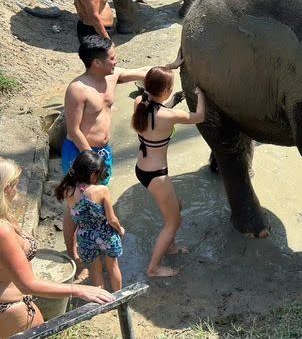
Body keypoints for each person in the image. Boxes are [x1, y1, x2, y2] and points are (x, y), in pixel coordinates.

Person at [62, 35, 183, 278]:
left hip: (102, 152)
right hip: (80, 153)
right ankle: (73, 254)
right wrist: (90, 160)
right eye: (113, 58)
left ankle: (96, 248)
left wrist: (171, 65)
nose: (117, 62)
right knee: (73, 205)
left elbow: (142, 72)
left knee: (98, 200)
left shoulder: (111, 76)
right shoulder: (77, 89)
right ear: (96, 63)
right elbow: (74, 130)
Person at [0, 157, 114, 337]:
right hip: (12, 311)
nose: (17, 190)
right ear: (5, 188)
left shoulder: (5, 216)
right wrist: (79, 289)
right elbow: (27, 284)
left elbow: (69, 223)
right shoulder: (2, 231)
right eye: (14, 184)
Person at [131, 67, 206, 277]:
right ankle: (153, 268)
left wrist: (171, 67)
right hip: (156, 174)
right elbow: (199, 116)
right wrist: (201, 94)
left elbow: (155, 101)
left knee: (177, 205)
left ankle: (171, 247)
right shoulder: (168, 115)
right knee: (174, 222)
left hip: (142, 168)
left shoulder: (139, 104)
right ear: (165, 90)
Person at [55, 151, 125, 292]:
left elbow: (72, 217)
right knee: (113, 267)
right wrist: (120, 229)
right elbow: (112, 219)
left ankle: (102, 299)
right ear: (93, 174)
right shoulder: (102, 190)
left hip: (85, 237)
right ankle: (119, 298)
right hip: (106, 235)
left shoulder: (67, 191)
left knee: (95, 270)